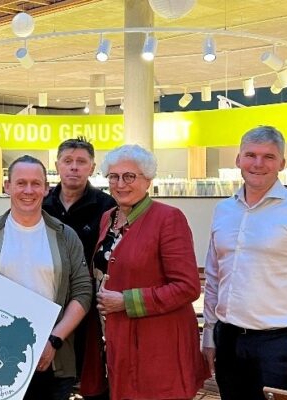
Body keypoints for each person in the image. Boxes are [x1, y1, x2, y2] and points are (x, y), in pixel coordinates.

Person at [202, 126, 287, 399]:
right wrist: (209, 335)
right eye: (250, 155)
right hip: (228, 340)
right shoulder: (223, 211)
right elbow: (215, 279)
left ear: (282, 164)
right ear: (238, 160)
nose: (258, 164)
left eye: (269, 157)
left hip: (279, 346)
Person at [79, 144, 209, 400]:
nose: (120, 184)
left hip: (158, 344)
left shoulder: (168, 219)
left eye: (130, 176)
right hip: (118, 340)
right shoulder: (109, 218)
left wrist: (126, 301)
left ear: (148, 180)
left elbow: (187, 287)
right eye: (114, 177)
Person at [0, 155, 92, 400]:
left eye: (36, 184)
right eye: (21, 183)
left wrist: (54, 340)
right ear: (7, 186)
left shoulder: (66, 236)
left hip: (53, 359)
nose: (28, 190)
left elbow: (83, 291)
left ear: (46, 188)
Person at [42, 137, 115, 388]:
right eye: (68, 161)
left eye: (81, 162)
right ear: (57, 165)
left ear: (92, 167)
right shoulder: (41, 204)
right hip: (47, 297)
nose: (74, 167)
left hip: (91, 303)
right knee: (50, 373)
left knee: (91, 375)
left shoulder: (108, 207)